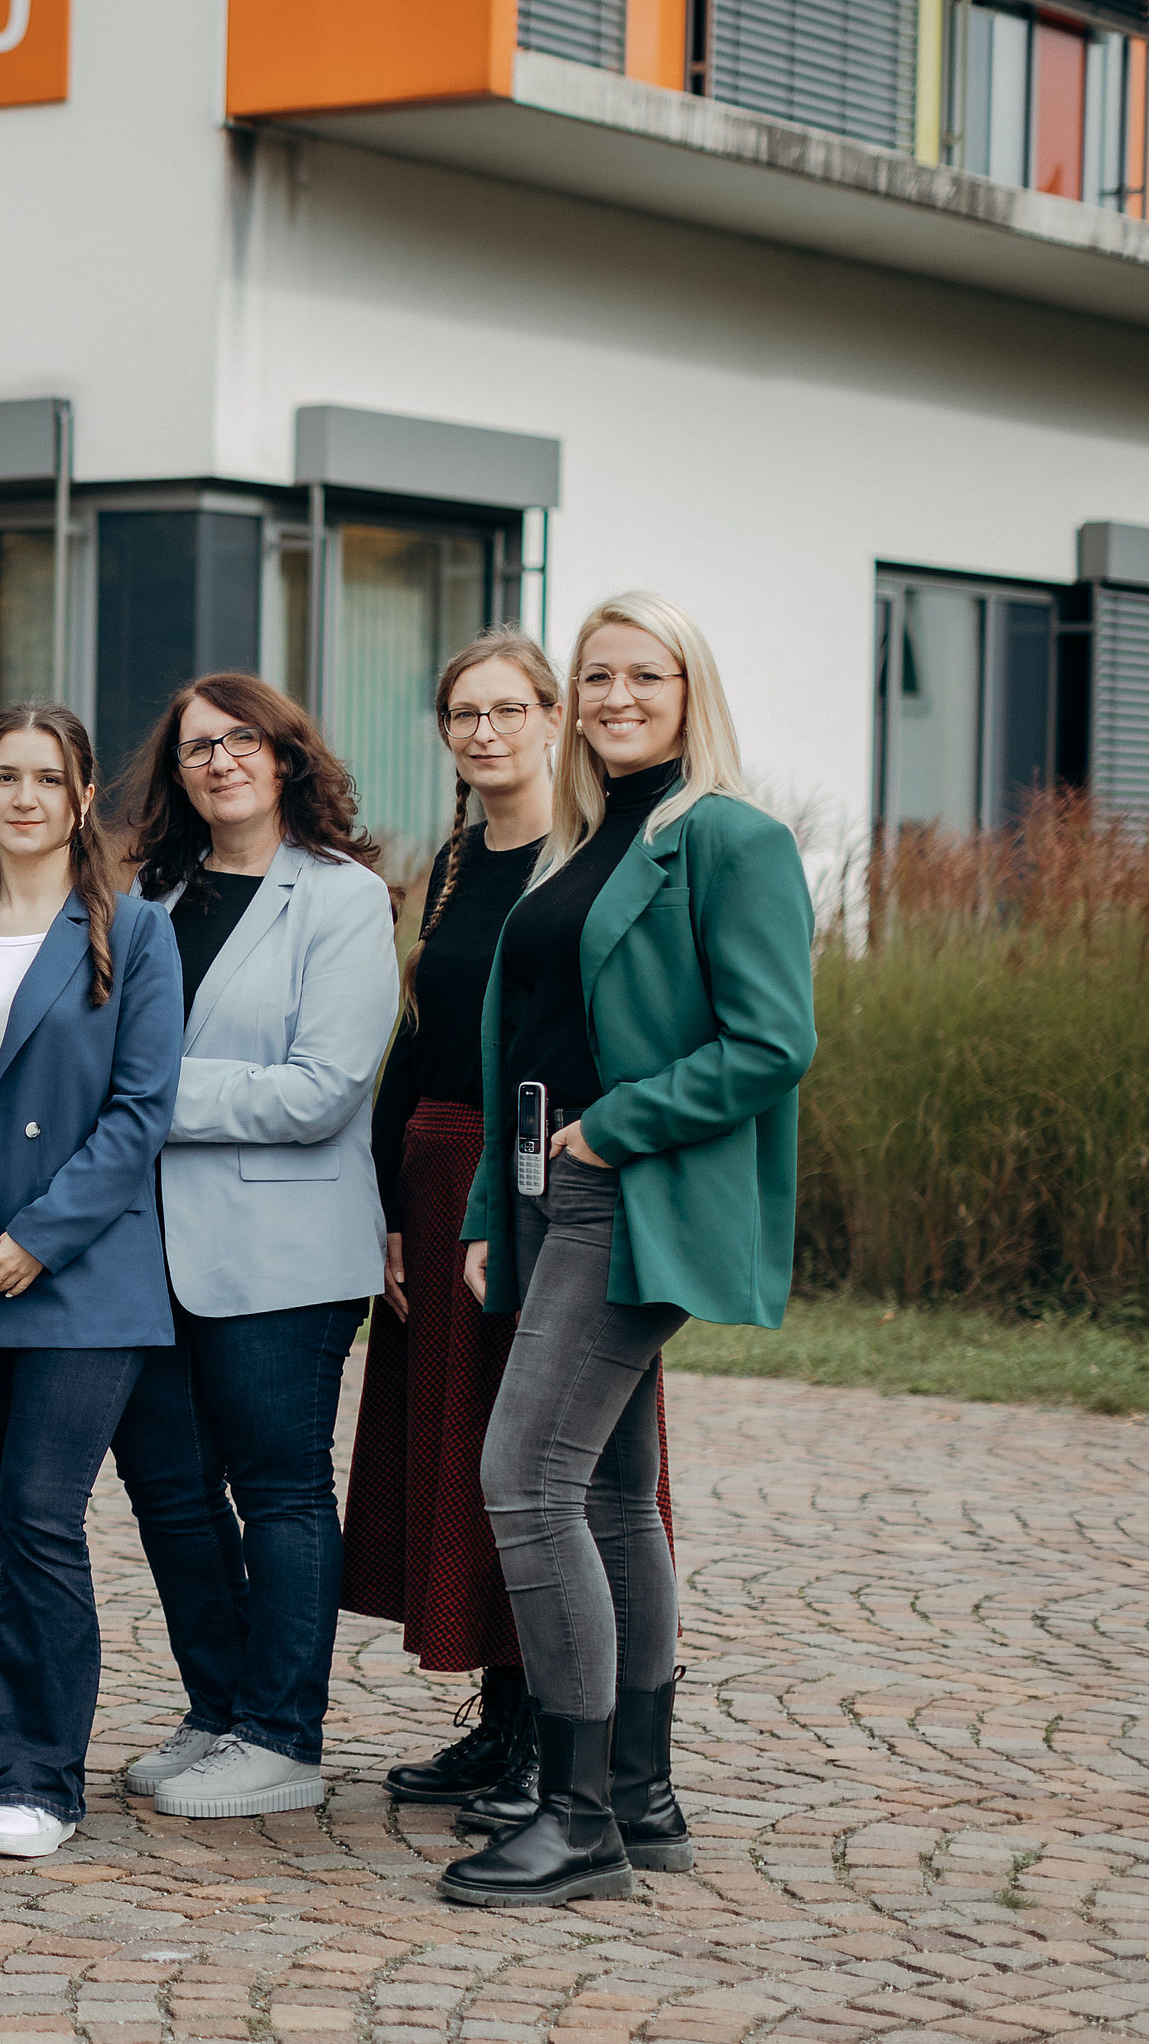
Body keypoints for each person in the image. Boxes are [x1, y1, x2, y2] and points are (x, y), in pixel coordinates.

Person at [440, 593, 813, 1907]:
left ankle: (578, 1815)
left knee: (525, 1479)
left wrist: (615, 1132)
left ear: (687, 686)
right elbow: (519, 1042)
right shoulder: (584, 838)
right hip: (549, 1189)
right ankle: (642, 1800)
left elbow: (772, 1045)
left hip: (630, 1190)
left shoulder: (730, 837)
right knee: (604, 1491)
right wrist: (497, 1209)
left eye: (641, 676)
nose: (612, 697)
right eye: (594, 677)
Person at [340, 630, 681, 1844]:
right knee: (464, 1450)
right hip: (439, 1180)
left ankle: (561, 1727)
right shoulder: (449, 865)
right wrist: (383, 1200)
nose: (483, 733)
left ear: (552, 719)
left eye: (506, 710)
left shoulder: (588, 858)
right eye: (461, 715)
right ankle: (503, 1708)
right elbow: (418, 1038)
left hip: (550, 1170)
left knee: (552, 1461)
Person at [107, 673, 397, 1822]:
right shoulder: (148, 892)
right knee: (170, 1490)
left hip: (280, 1254)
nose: (219, 760)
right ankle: (218, 1711)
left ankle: (285, 1735)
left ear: (285, 758)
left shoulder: (341, 899)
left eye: (241, 741)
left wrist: (145, 1093)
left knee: (277, 1490)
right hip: (145, 1248)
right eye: (195, 748)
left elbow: (322, 1092)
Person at [0, 704, 181, 1860]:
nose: (24, 797)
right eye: (5, 777)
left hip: (81, 1280)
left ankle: (43, 1777)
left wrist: (40, 1237)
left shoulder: (139, 931)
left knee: (38, 1516)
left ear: (81, 798)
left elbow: (141, 1111)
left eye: (48, 778)